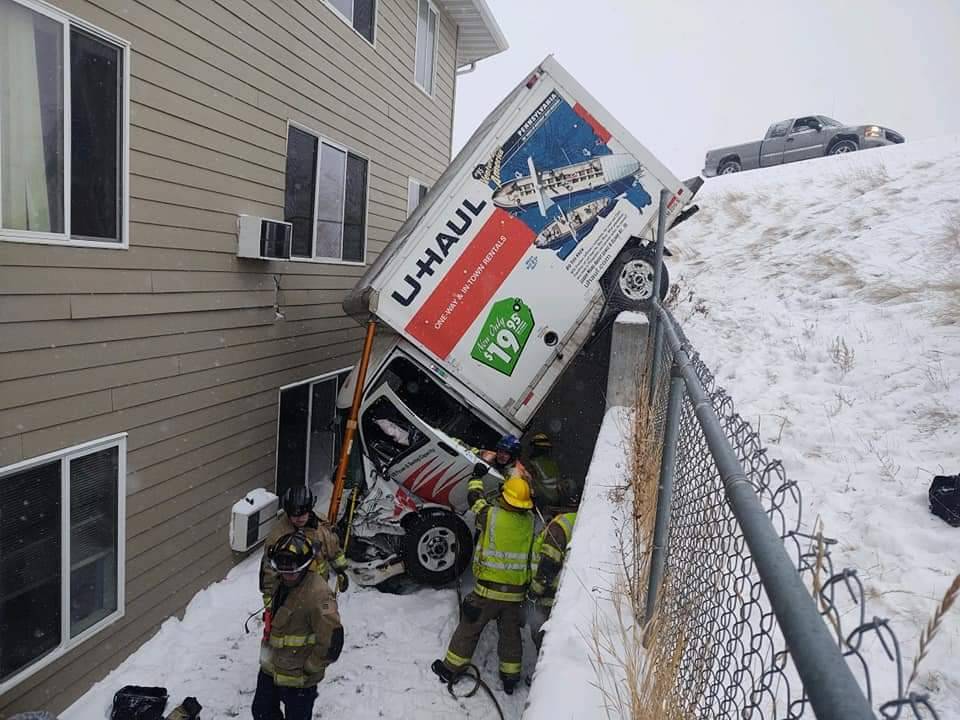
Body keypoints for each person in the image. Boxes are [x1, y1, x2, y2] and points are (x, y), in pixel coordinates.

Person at [431, 468, 535, 694]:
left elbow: (474, 499)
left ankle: (450, 669)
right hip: (515, 594)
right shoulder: (529, 521)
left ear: (505, 497)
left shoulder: (491, 515)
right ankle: (510, 677)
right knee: (510, 635)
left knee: (469, 628)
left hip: (488, 592)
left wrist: (475, 478)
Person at [253, 531, 344, 720]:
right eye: (283, 569)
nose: (287, 575)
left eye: (293, 570)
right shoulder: (280, 583)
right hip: (270, 669)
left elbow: (332, 640)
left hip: (299, 680)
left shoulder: (321, 595)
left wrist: (310, 668)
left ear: (305, 565)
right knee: (261, 712)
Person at [260, 486, 349, 612]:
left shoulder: (319, 524)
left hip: (320, 586)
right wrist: (270, 603)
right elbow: (269, 571)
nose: (300, 518)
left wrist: (341, 570)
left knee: (324, 616)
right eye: (295, 514)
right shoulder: (278, 536)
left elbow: (332, 545)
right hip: (293, 594)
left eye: (303, 513)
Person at [528, 484, 580, 650]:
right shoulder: (581, 520)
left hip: (549, 598)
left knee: (543, 641)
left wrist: (534, 592)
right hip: (571, 597)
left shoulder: (559, 526)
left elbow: (549, 563)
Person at [526, 432, 562, 510]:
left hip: (542, 501)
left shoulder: (534, 463)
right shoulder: (553, 463)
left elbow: (533, 483)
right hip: (552, 501)